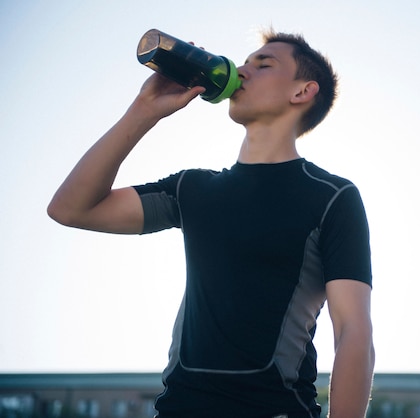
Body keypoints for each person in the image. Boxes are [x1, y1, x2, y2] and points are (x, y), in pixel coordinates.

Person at [48, 29, 374, 418]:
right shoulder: (192, 189)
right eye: (244, 62)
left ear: (302, 92)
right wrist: (144, 109)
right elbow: (71, 209)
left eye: (263, 64)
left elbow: (354, 331)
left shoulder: (331, 196)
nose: (241, 70)